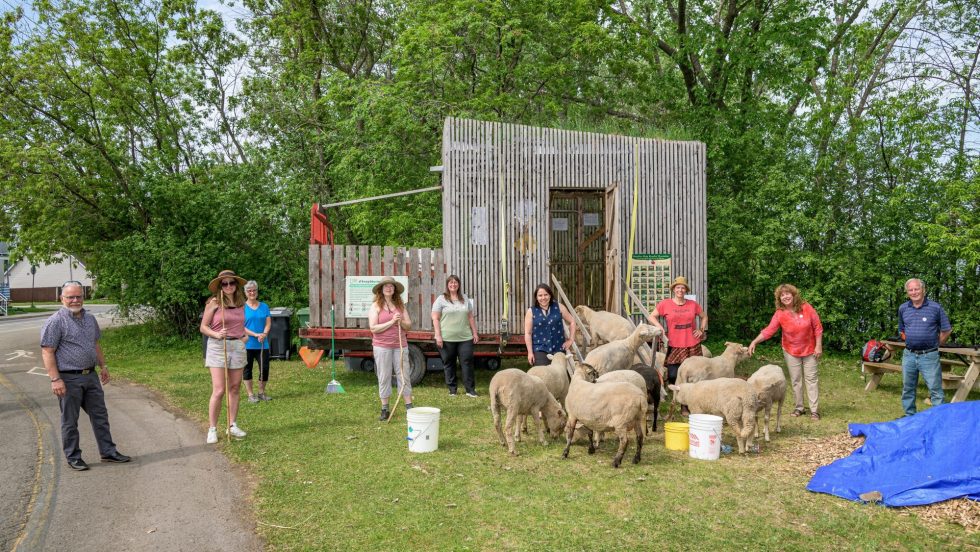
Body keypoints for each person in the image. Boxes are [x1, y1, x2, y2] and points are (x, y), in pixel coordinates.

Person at [41, 280, 131, 471]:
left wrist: (103, 366)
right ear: (62, 298)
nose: (75, 300)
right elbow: (48, 351)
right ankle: (73, 456)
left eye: (78, 296)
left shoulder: (90, 319)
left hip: (90, 375)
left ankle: (108, 452)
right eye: (70, 297)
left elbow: (95, 344)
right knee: (70, 420)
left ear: (83, 297)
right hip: (68, 378)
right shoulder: (56, 321)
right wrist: (55, 379)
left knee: (100, 415)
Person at [748, 284, 824, 420]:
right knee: (796, 380)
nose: (785, 297)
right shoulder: (780, 314)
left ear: (794, 294)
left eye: (787, 293)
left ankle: (814, 410)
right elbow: (769, 331)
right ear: (779, 299)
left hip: (810, 349)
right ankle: (799, 408)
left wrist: (818, 346)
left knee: (811, 379)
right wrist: (754, 341)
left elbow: (818, 328)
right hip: (791, 351)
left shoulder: (807, 307)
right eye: (782, 295)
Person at [200, 269, 249, 443]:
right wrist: (216, 334)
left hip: (237, 346)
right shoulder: (214, 303)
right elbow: (203, 327)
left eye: (231, 283)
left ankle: (232, 425)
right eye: (225, 283)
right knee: (219, 389)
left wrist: (244, 335)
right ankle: (212, 429)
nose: (228, 286)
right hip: (218, 346)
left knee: (235, 387)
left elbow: (242, 324)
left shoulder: (242, 303)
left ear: (236, 285)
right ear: (220, 286)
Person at [897, 278, 951, 417]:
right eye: (911, 290)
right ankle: (910, 417)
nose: (914, 292)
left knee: (935, 390)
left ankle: (938, 419)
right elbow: (902, 330)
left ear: (923, 290)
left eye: (917, 289)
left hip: (929, 356)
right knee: (908, 389)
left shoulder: (935, 307)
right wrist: (912, 340)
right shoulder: (903, 308)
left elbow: (946, 330)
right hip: (909, 355)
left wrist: (937, 344)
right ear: (907, 292)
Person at [647, 276, 707, 385]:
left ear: (686, 290)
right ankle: (677, 391)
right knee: (672, 375)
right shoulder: (665, 304)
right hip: (674, 343)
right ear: (674, 289)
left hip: (692, 344)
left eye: (683, 288)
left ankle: (689, 395)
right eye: (678, 287)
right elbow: (651, 316)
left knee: (694, 372)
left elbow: (704, 317)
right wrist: (659, 326)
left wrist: (701, 330)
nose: (680, 290)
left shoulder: (693, 304)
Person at [368, 276, 413, 421]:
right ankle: (385, 409)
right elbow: (373, 328)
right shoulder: (375, 306)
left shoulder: (400, 306)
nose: (389, 288)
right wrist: (392, 321)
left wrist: (401, 322)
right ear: (381, 289)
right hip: (382, 347)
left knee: (404, 375)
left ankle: (409, 408)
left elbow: (408, 326)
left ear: (395, 290)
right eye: (386, 286)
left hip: (400, 345)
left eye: (391, 286)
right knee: (384, 376)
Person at [432, 275, 480, 397]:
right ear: (447, 285)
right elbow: (435, 318)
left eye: (455, 282)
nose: (453, 284)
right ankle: (452, 389)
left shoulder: (464, 298)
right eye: (451, 283)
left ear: (458, 285)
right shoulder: (441, 299)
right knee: (449, 363)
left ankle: (470, 390)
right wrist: (438, 335)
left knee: (467, 362)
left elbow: (470, 317)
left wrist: (474, 332)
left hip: (465, 338)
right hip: (447, 338)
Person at [523, 283, 576, 366]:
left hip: (559, 349)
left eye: (546, 295)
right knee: (542, 376)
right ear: (536, 297)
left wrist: (571, 339)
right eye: (540, 295)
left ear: (550, 295)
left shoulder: (559, 307)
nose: (543, 298)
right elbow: (528, 333)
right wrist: (530, 352)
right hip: (540, 349)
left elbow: (572, 321)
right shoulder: (531, 311)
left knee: (559, 375)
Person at [243, 280, 272, 403]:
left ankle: (261, 392)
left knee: (264, 369)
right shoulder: (242, 307)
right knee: (247, 369)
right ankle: (250, 395)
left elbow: (268, 323)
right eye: (249, 290)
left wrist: (264, 334)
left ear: (257, 291)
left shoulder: (264, 306)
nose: (252, 292)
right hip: (247, 344)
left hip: (262, 344)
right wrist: (255, 334)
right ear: (245, 293)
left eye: (254, 290)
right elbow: (241, 326)